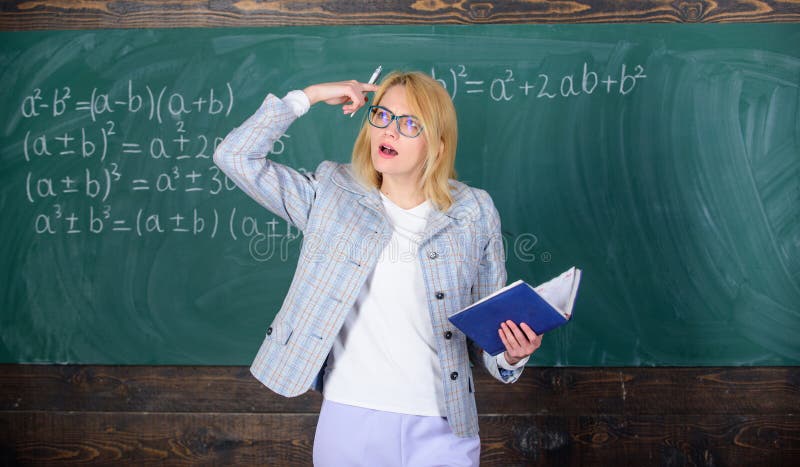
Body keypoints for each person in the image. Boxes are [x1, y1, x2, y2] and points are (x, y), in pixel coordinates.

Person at [213, 71, 543, 467]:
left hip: (443, 427)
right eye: (382, 116)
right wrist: (310, 95)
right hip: (350, 421)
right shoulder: (331, 193)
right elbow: (235, 156)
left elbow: (487, 331)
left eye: (409, 124)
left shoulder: (473, 211)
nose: (389, 131)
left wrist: (511, 355)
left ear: (437, 145)